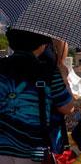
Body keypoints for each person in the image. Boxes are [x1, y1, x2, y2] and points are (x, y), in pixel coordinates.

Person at [0, 29, 74, 164]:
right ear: (42, 45)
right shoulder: (49, 72)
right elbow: (67, 108)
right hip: (33, 152)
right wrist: (64, 79)